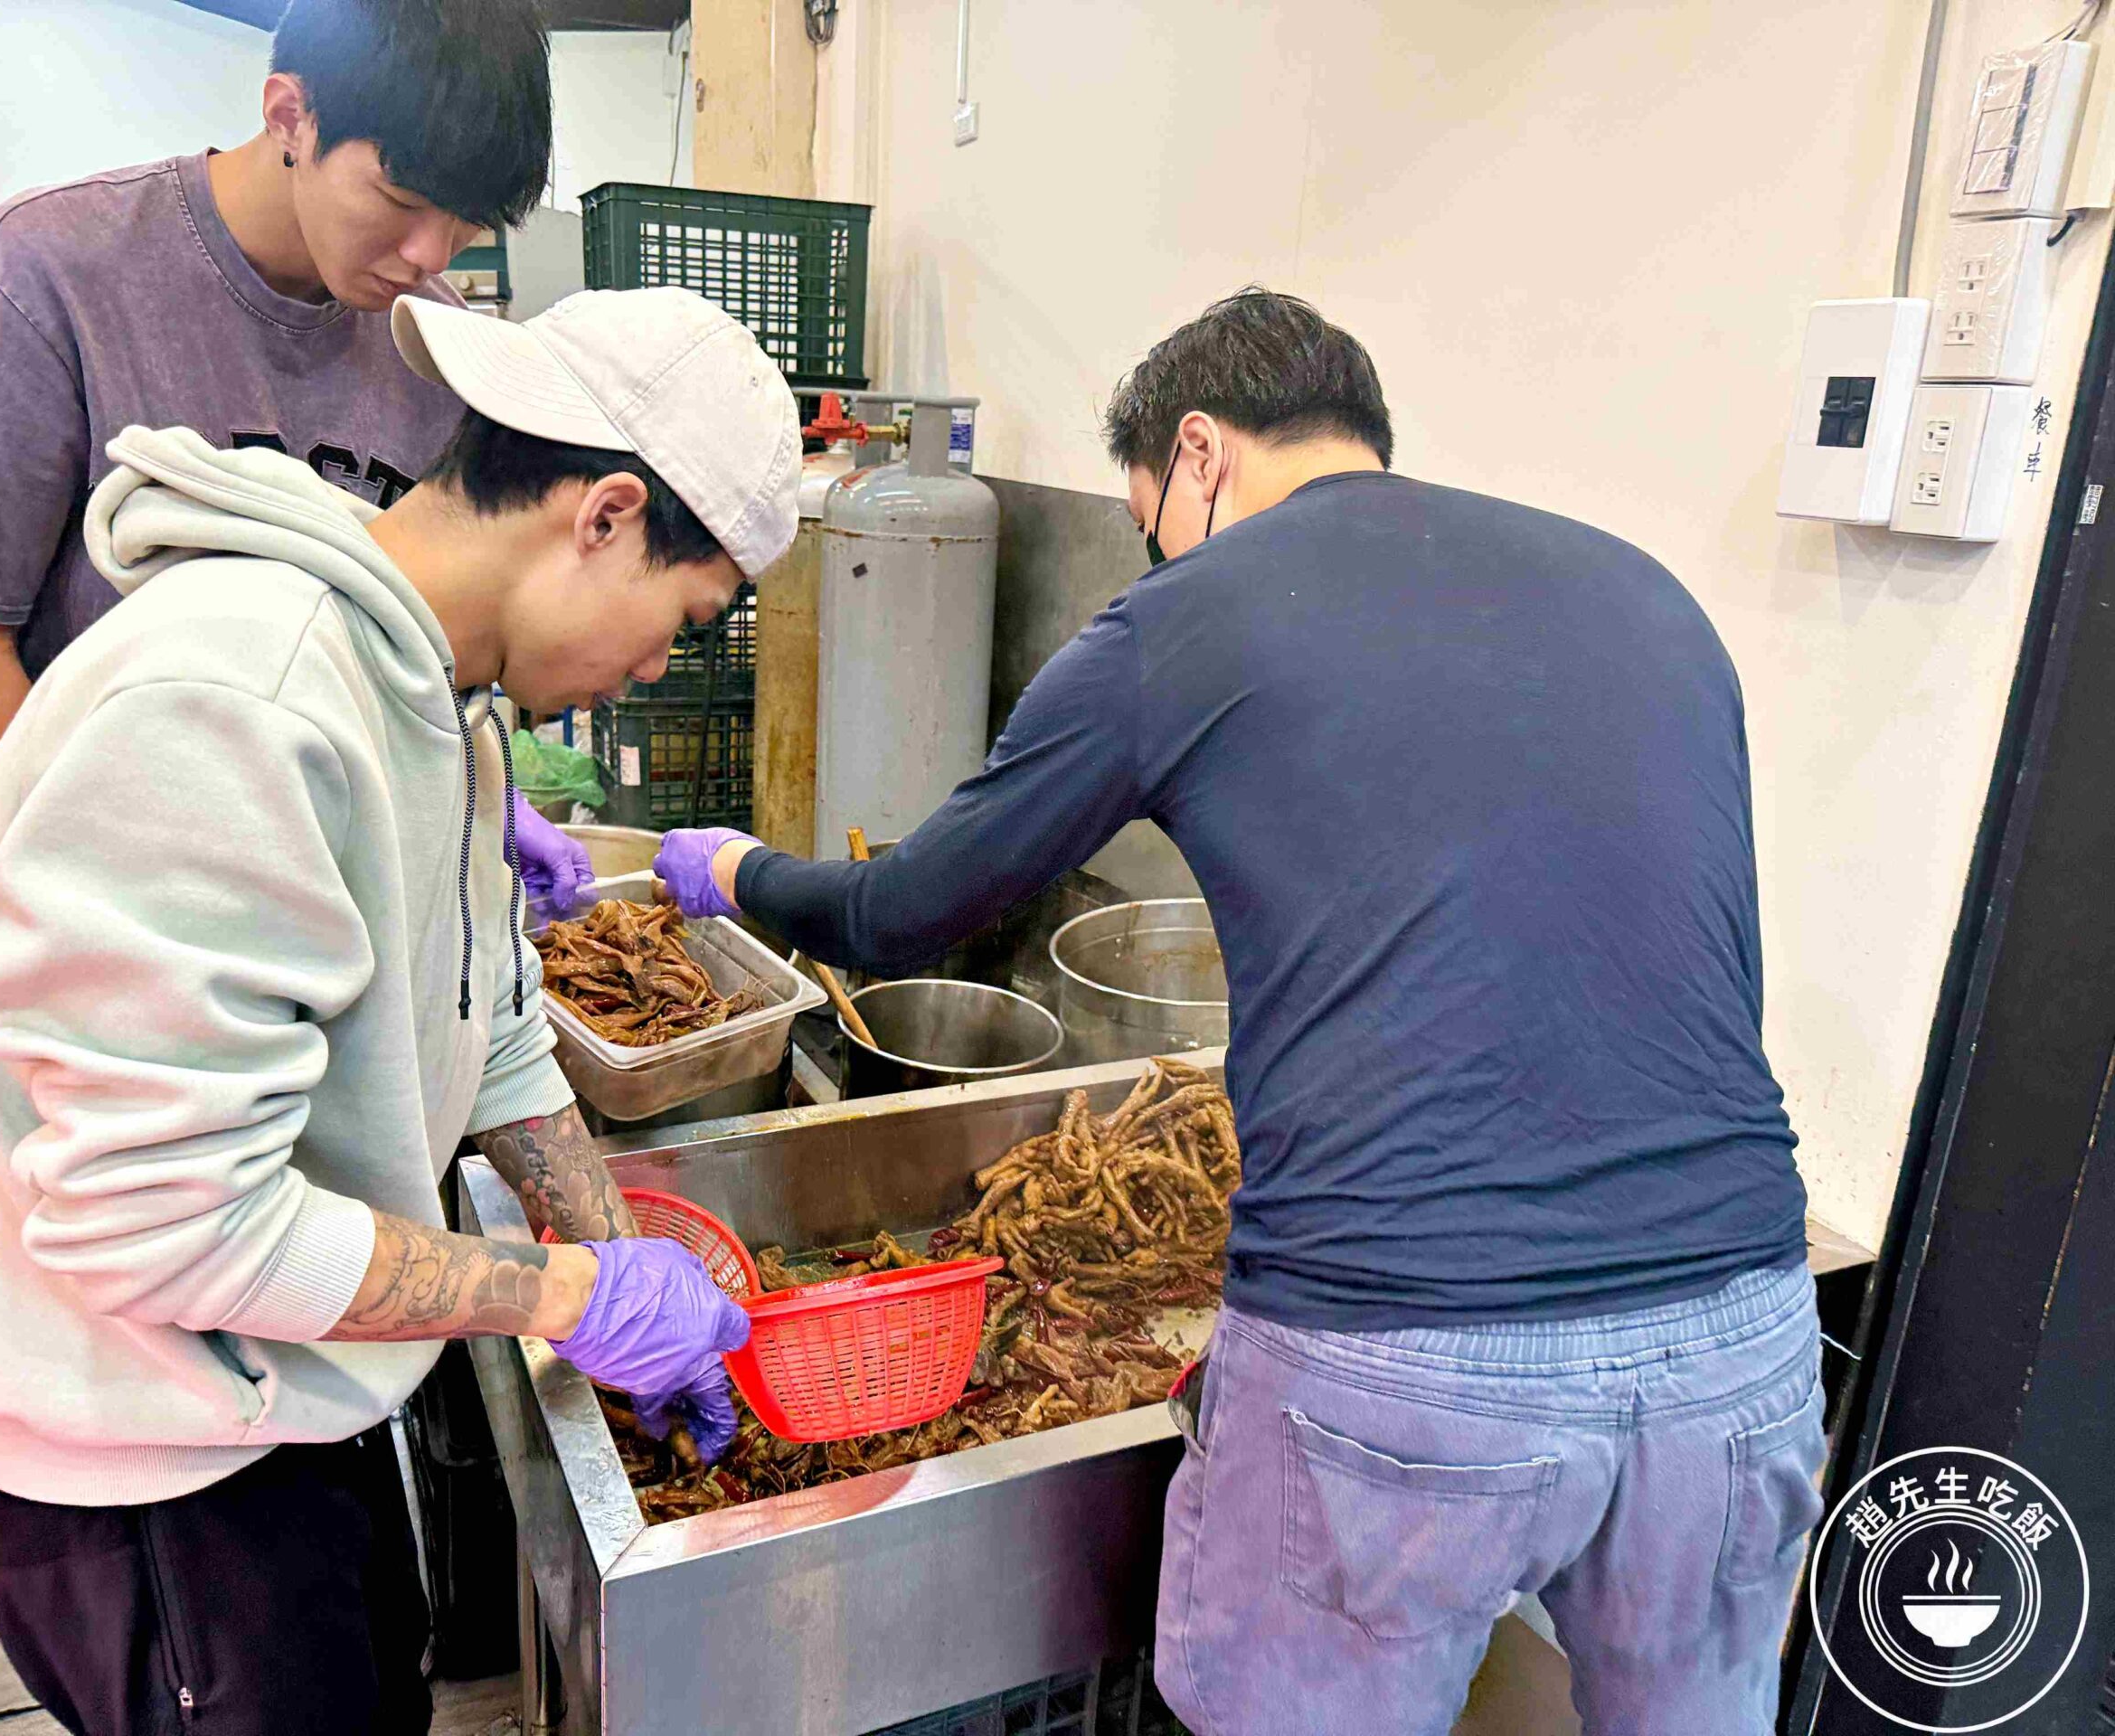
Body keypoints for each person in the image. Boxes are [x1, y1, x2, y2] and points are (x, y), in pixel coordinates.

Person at [655, 288, 1824, 1735]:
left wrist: (736, 870)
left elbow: (911, 912)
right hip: (1746, 1341)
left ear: (1197, 452)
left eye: (1146, 519)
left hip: (1403, 1358)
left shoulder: (1187, 615)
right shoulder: (1647, 592)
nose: (1149, 556)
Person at [0, 285, 799, 1734]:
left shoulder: (439, 694)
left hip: (284, 1389)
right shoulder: (246, 698)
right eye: (682, 623)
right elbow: (169, 1219)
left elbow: (494, 1020)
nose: (654, 671)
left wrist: (618, 1249)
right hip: (151, 1468)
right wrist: (568, 1298)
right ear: (607, 516)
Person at [0, 0, 592, 918]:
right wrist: (135, 875)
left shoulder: (435, 344)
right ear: (289, 116)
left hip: (286, 889)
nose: (426, 255)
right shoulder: (49, 273)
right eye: (400, 200)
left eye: (468, 225)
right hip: (59, 882)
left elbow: (405, 656)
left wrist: (485, 803)